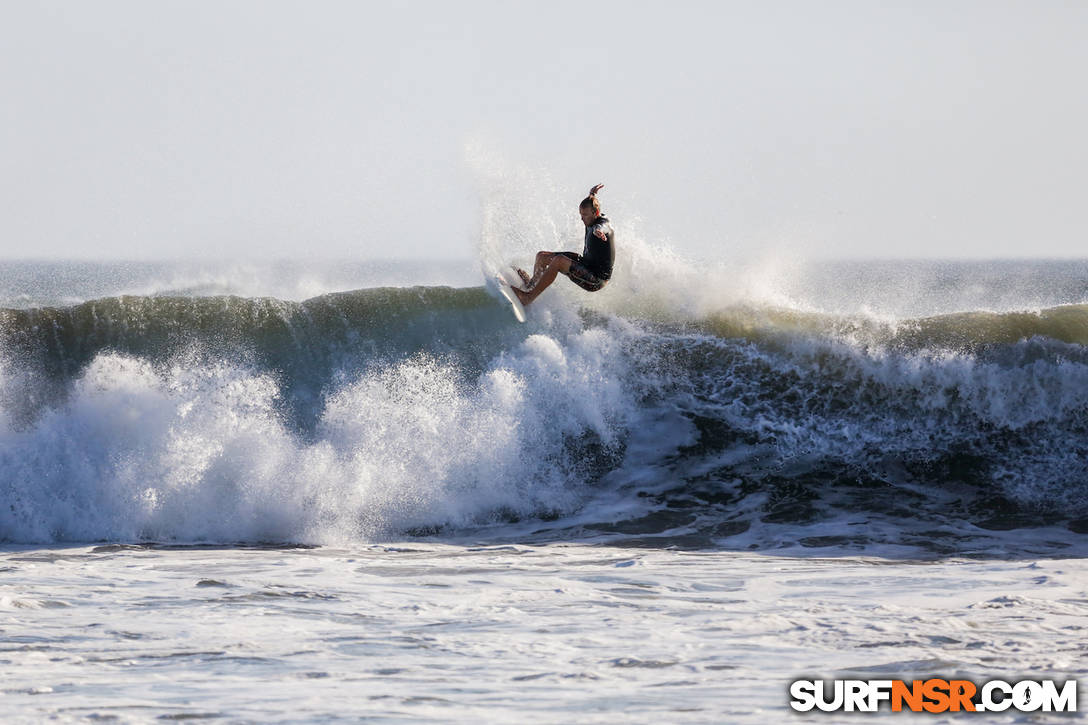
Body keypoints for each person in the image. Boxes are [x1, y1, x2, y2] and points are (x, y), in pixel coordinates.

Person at [512, 183, 614, 306]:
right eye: (581, 215)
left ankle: (528, 298)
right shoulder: (591, 214)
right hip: (586, 263)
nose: (582, 219)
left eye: (585, 215)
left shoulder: (603, 224)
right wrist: (592, 194)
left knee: (559, 261)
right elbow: (592, 204)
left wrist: (599, 232)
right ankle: (530, 286)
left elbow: (603, 227)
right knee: (542, 256)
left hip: (597, 279)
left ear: (595, 213)